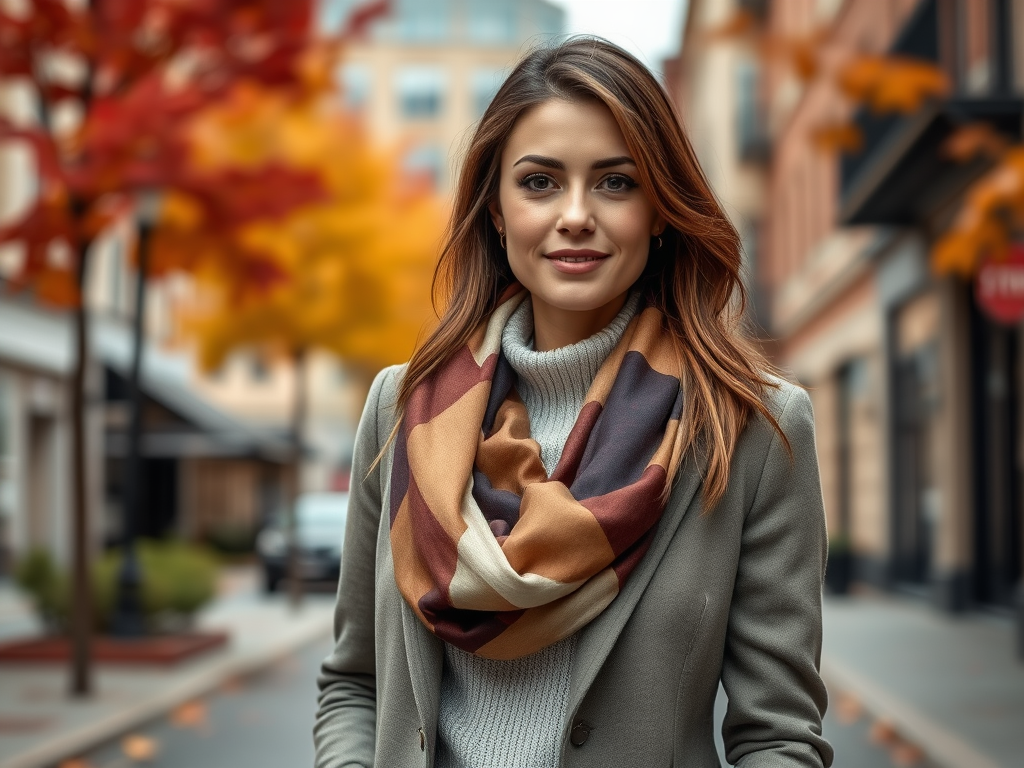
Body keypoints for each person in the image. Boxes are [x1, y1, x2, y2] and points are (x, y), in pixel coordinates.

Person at [315, 36, 832, 768]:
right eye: (540, 182)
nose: (576, 215)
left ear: (660, 211)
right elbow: (354, 683)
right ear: (495, 209)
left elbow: (777, 735)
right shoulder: (402, 410)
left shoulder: (753, 429)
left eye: (616, 183)